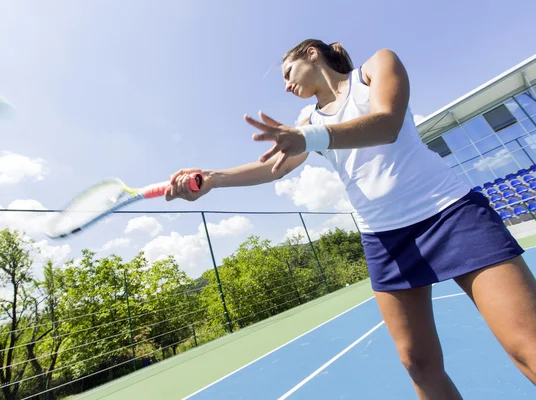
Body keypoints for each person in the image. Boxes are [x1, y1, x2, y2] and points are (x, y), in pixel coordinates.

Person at [164, 38, 536, 399]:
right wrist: (214, 179)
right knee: (419, 367)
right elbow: (275, 169)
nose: (285, 83)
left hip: (449, 215)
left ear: (312, 54)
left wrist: (309, 137)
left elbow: (386, 124)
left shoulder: (376, 66)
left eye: (288, 70)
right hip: (385, 241)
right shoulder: (306, 119)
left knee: (526, 347)